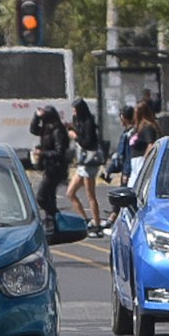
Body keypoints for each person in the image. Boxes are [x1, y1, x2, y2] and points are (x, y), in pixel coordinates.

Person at [64, 98, 103, 238]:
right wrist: (72, 128)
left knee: (90, 195)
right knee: (70, 193)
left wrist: (75, 136)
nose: (73, 113)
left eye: (75, 110)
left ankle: (97, 224)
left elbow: (87, 142)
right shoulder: (80, 121)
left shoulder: (89, 123)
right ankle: (85, 220)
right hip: (82, 164)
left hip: (89, 163)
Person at [29, 105, 70, 223]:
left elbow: (60, 152)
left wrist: (42, 153)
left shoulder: (57, 130)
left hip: (56, 168)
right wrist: (36, 116)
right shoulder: (47, 128)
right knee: (50, 197)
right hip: (49, 167)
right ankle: (52, 221)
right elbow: (33, 130)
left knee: (41, 197)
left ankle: (56, 216)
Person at [127, 100, 162, 186]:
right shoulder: (137, 128)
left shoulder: (147, 127)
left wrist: (145, 159)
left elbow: (150, 144)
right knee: (131, 185)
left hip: (141, 159)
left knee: (139, 184)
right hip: (134, 161)